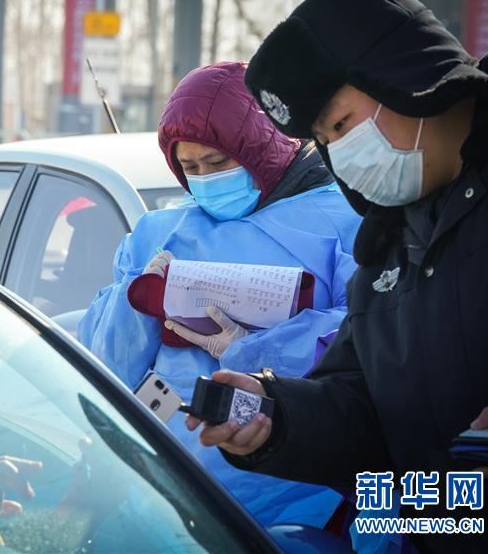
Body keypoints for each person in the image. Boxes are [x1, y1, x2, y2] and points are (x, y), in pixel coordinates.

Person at [188, 0, 488, 553]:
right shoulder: (388, 250)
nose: (342, 153)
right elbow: (363, 410)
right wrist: (275, 417)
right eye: (326, 139)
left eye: (341, 123)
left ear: (404, 75)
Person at [78, 61, 362, 528]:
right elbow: (102, 363)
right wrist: (136, 300)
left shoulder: (344, 223)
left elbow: (365, 342)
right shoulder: (159, 231)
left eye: (217, 163)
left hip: (290, 490)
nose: (205, 178)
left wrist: (255, 349)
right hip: (161, 483)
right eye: (190, 167)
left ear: (263, 147)